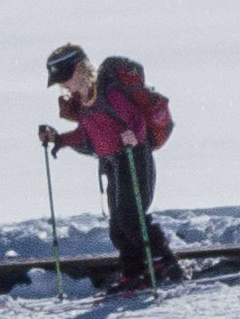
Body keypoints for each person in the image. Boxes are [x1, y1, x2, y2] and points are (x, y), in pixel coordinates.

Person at [42, 43, 177, 289]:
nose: (64, 86)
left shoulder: (109, 94)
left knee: (131, 217)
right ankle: (133, 271)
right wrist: (59, 139)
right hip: (112, 163)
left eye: (66, 79)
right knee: (118, 226)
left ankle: (164, 263)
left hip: (133, 158)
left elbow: (136, 120)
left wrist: (133, 135)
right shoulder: (83, 104)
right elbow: (86, 136)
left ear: (80, 70)